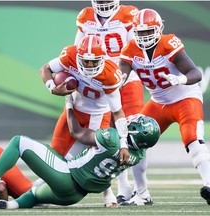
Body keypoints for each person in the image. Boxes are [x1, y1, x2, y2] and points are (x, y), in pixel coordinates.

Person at [0, 94, 160, 209]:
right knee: (34, 194)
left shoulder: (113, 139)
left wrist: (69, 105)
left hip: (67, 177)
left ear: (135, 133)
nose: (131, 122)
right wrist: (108, 196)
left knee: (19, 142)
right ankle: (5, 207)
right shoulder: (137, 155)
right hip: (74, 195)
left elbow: (77, 132)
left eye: (135, 124)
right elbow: (100, 163)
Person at [118, 8, 210, 205]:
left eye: (148, 31)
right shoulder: (130, 49)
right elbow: (121, 76)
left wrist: (179, 79)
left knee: (193, 140)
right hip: (158, 103)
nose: (144, 36)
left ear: (158, 29)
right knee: (135, 140)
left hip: (185, 98)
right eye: (140, 32)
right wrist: (114, 82)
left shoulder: (168, 43)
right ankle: (142, 193)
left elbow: (196, 73)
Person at [40, 34, 129, 207]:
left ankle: (107, 192)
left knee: (98, 156)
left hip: (99, 114)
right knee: (54, 153)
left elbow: (118, 112)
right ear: (78, 57)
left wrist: (123, 143)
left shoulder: (110, 75)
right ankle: (44, 189)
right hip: (75, 108)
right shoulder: (70, 55)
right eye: (85, 61)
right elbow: (44, 69)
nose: (89, 65)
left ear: (102, 58)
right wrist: (52, 88)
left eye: (94, 61)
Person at [74, 0, 145, 204]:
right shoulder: (85, 16)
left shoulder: (129, 15)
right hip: (99, 80)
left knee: (134, 133)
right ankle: (123, 186)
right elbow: (77, 49)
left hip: (127, 78)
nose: (104, 3)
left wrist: (121, 76)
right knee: (112, 136)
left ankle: (142, 189)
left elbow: (135, 51)